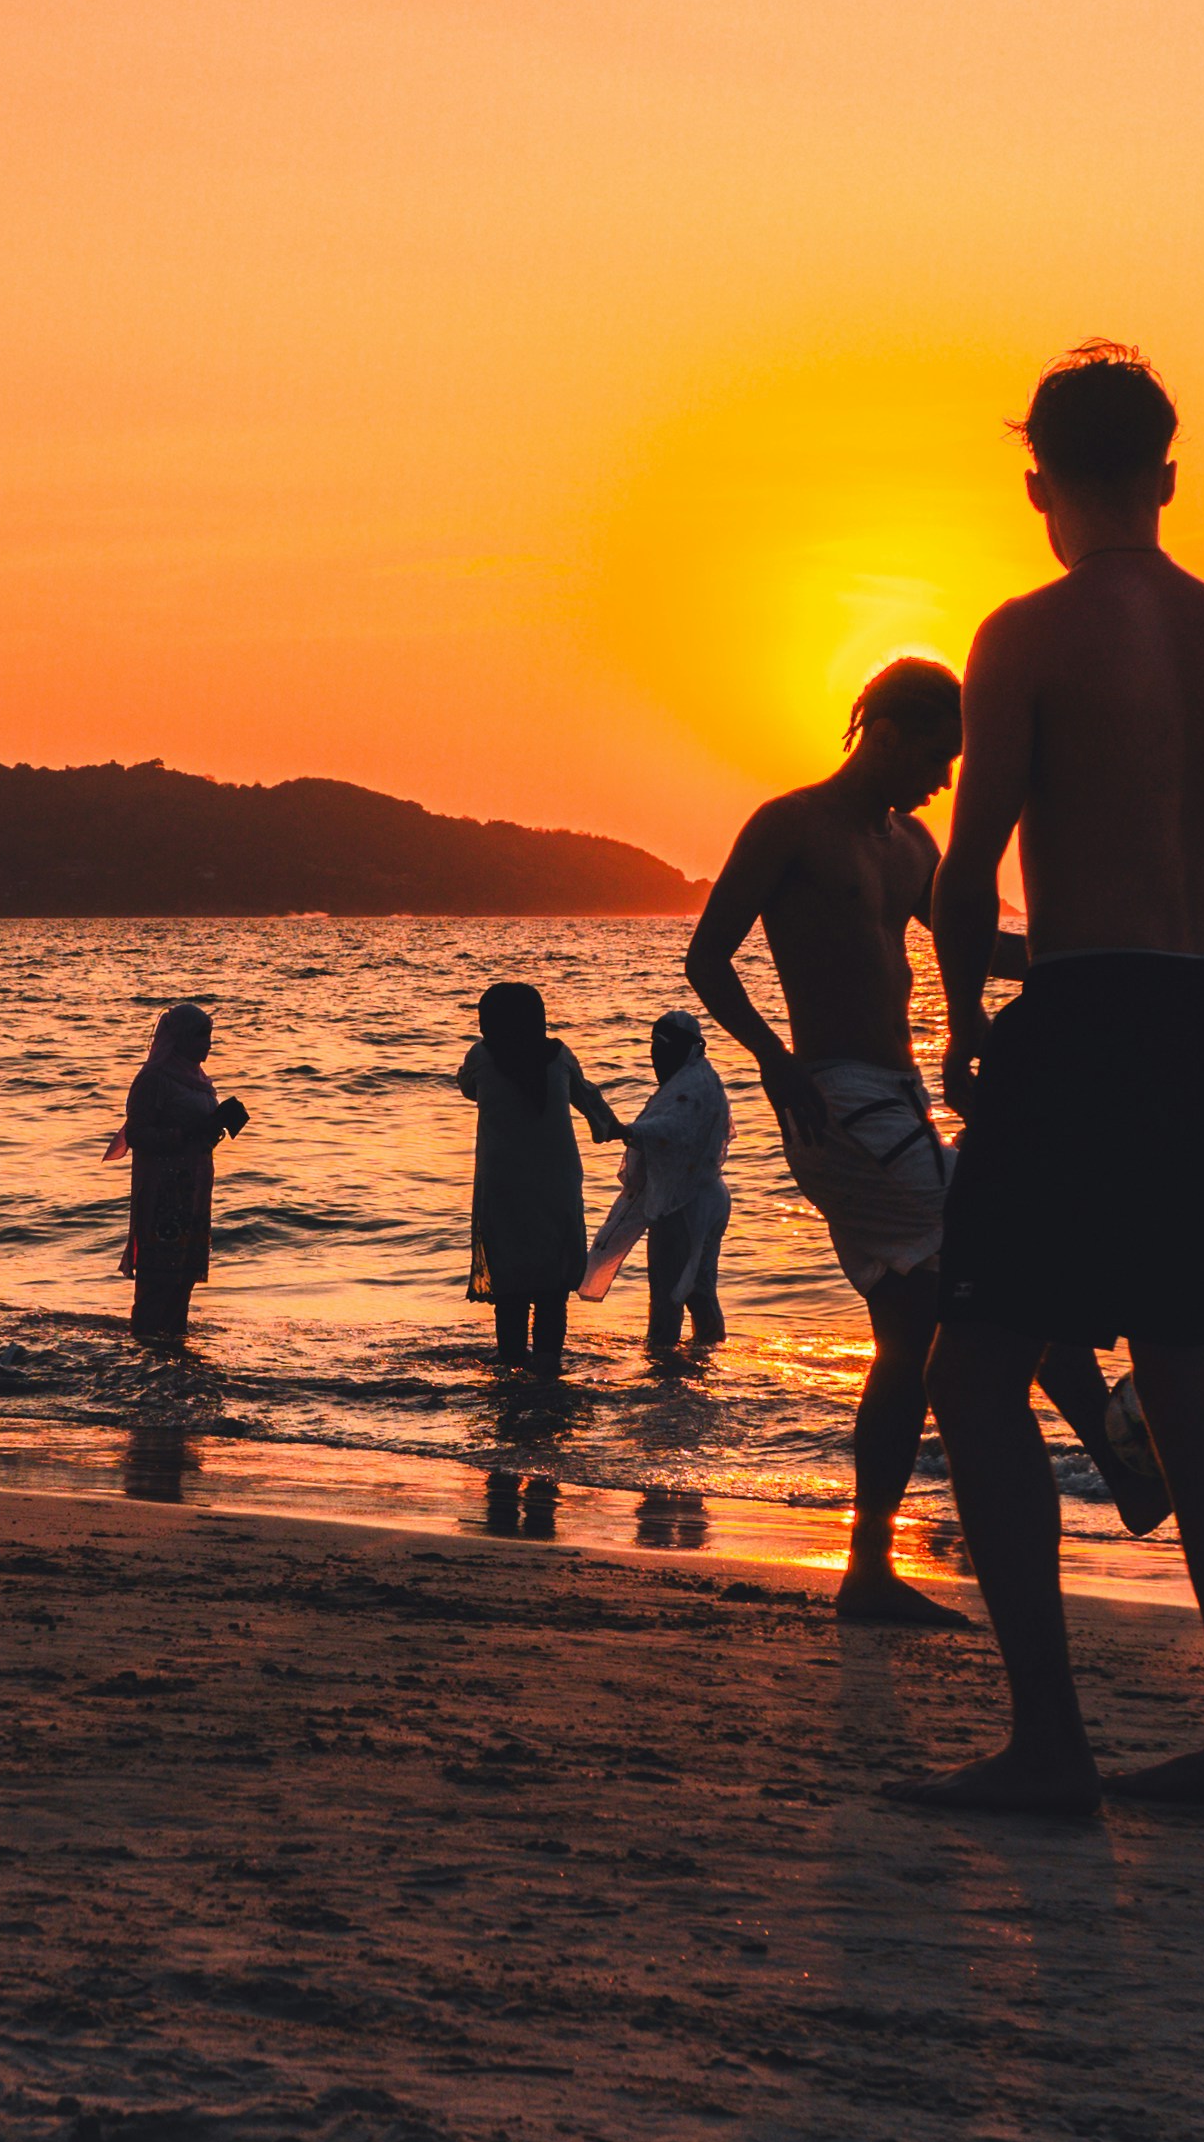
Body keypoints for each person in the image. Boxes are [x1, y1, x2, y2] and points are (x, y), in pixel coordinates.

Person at [899, 343, 1204, 1819]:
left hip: (1081, 1012)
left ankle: (1048, 1742)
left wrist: (960, 1012)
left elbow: (967, 870)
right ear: (1164, 474)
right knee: (1187, 1382)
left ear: (1038, 490)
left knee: (974, 1367)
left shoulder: (1023, 633)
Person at [689, 659, 1166, 1620]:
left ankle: (869, 1568)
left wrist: (1093, 955)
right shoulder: (791, 826)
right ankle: (1115, 1441)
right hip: (833, 1100)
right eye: (940, 758)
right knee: (1002, 1258)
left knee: (906, 1342)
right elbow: (708, 957)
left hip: (898, 1106)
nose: (944, 781)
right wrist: (775, 1062)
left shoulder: (911, 845)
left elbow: (974, 948)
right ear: (889, 730)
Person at [458, 982, 625, 1376]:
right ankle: (549, 1364)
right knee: (552, 1290)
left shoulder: (482, 1056)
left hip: (504, 1188)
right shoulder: (559, 1056)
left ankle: (513, 1366)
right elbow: (590, 1101)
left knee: (510, 1288)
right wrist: (618, 1130)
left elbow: (468, 1088)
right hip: (556, 1184)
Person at [582, 1008, 734, 1346]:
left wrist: (626, 1130)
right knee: (697, 1288)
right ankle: (705, 1358)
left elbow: (674, 1129)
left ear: (685, 1049)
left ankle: (663, 1366)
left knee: (668, 1292)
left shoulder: (690, 1087)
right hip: (703, 1197)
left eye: (664, 1049)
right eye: (654, 1049)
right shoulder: (696, 1079)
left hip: (685, 1204)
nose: (656, 1057)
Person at [108, 1002, 247, 1343]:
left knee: (183, 1274)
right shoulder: (154, 1080)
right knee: (158, 1277)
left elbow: (200, 1133)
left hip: (194, 1189)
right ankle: (144, 1345)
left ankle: (174, 1343)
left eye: (210, 1036)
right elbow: (138, 1134)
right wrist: (188, 1133)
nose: (208, 1044)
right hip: (162, 1192)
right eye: (201, 1036)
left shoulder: (199, 1080)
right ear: (181, 1038)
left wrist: (219, 1125)